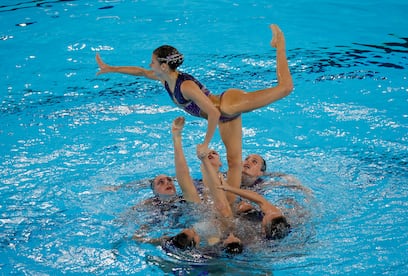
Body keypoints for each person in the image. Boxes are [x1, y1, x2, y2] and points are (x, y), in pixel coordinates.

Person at [95, 24, 293, 204]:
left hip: (228, 105)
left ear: (164, 66)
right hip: (225, 116)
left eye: (152, 62)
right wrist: (111, 68)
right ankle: (230, 207)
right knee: (234, 163)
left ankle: (280, 42)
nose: (150, 65)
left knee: (285, 88)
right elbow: (139, 72)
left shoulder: (186, 86)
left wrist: (205, 144)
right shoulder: (164, 78)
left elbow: (213, 112)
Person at [218, 182, 291, 240]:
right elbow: (259, 199)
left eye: (267, 216)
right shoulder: (275, 214)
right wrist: (229, 188)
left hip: (254, 234)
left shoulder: (254, 238)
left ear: (263, 230)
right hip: (253, 219)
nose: (269, 212)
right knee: (244, 206)